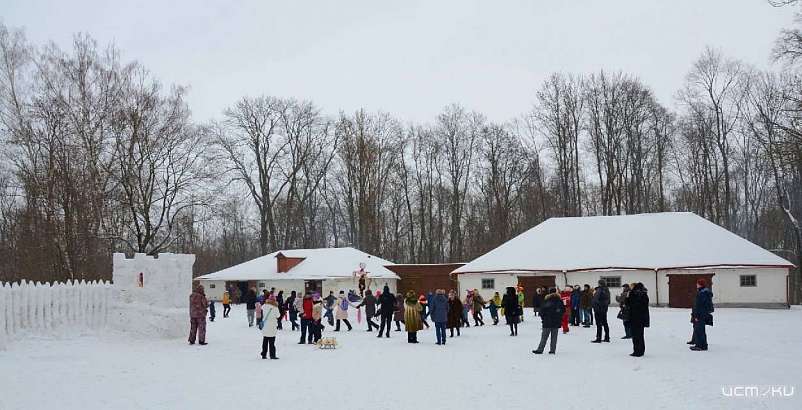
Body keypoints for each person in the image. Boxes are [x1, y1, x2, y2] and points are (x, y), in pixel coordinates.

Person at [532, 288, 565, 355]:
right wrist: (559, 317)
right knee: (554, 337)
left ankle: (540, 349)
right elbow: (563, 310)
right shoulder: (559, 301)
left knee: (544, 337)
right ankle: (552, 350)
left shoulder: (546, 300)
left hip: (547, 321)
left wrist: (543, 318)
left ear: (549, 292)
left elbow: (542, 311)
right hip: (556, 321)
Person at [690, 279, 714, 351]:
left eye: (697, 283)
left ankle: (700, 346)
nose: (696, 285)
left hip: (700, 314)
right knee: (700, 330)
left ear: (700, 284)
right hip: (702, 314)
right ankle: (703, 345)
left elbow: (699, 305)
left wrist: (696, 316)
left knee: (699, 330)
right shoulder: (704, 292)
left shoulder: (702, 293)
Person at [628, 282, 650, 357]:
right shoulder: (644, 294)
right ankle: (641, 350)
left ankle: (637, 351)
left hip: (634, 317)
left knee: (635, 335)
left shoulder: (633, 294)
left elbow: (629, 303)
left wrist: (628, 298)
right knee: (640, 335)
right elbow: (644, 306)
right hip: (642, 318)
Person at [591, 279, 611, 343]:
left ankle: (598, 338)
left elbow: (596, 299)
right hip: (604, 309)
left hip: (598, 309)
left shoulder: (599, 290)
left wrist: (595, 305)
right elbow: (608, 301)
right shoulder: (607, 290)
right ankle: (607, 337)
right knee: (605, 323)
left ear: (599, 284)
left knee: (599, 324)